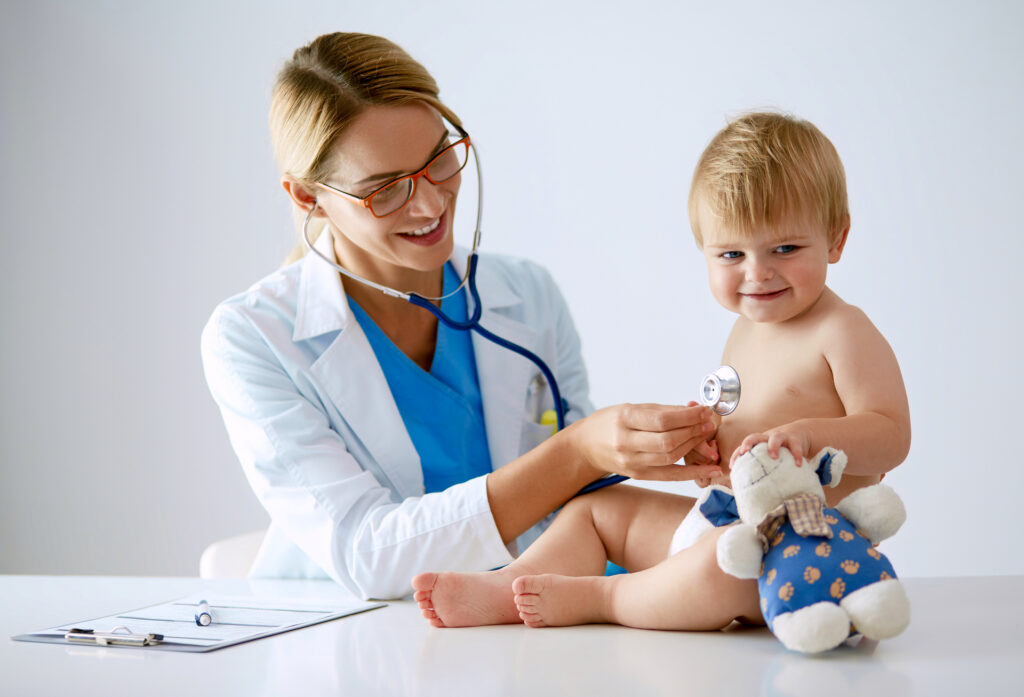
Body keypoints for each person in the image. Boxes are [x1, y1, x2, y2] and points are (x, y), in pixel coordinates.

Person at [200, 32, 725, 601]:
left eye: (437, 161)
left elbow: (579, 504)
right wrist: (578, 451)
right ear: (308, 199)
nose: (428, 205)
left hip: (521, 617)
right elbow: (367, 554)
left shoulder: (527, 294)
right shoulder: (253, 338)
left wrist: (653, 450)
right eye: (384, 190)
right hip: (354, 636)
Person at [412, 111, 911, 630]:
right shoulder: (745, 329)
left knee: (722, 563)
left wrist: (808, 436)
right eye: (732, 253)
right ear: (705, 252)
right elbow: (747, 447)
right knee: (595, 509)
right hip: (725, 523)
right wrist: (708, 448)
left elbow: (892, 435)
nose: (757, 273)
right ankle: (506, 588)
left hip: (796, 555)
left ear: (836, 238)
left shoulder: (842, 330)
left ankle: (602, 599)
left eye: (785, 249)